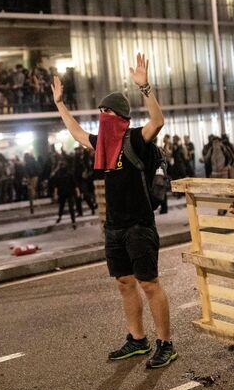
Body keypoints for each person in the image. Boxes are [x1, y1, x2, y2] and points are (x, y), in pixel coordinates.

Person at [51, 52, 177, 369]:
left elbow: (158, 121)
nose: (102, 115)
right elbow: (77, 133)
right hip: (115, 227)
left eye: (107, 111)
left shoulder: (135, 139)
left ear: (120, 116)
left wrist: (145, 87)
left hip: (139, 225)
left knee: (150, 284)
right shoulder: (103, 145)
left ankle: (166, 344)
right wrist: (60, 105)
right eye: (100, 111)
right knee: (125, 283)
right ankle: (137, 340)